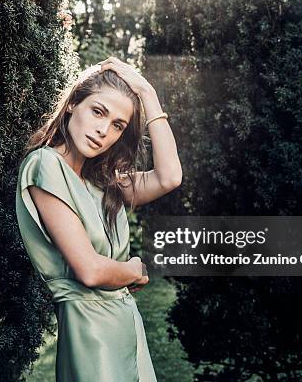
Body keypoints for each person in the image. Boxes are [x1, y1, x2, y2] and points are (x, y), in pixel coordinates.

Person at [15, 57, 182, 381]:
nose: (103, 131)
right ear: (72, 105)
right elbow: (89, 271)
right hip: (90, 336)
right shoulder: (45, 165)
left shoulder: (102, 181)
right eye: (98, 111)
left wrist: (147, 93)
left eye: (118, 125)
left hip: (126, 327)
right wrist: (133, 270)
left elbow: (170, 176)